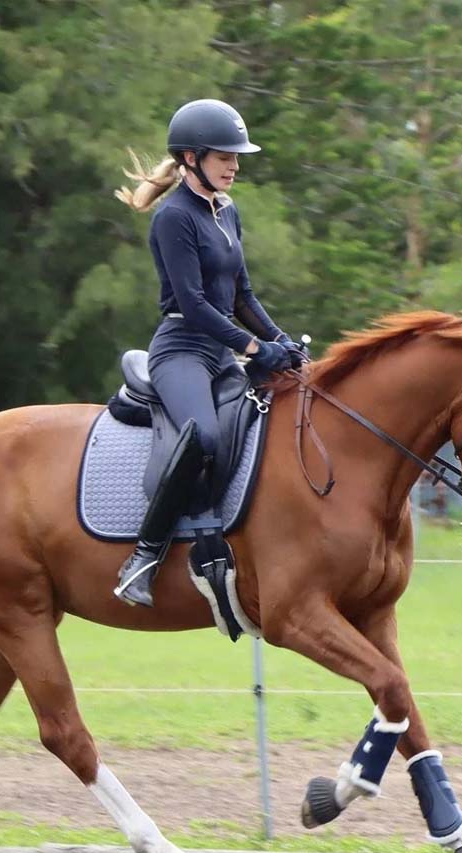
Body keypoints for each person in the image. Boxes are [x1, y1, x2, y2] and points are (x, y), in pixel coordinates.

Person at [112, 98, 307, 608]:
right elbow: (195, 305)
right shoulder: (174, 218)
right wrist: (251, 346)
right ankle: (144, 556)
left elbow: (242, 294)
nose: (235, 165)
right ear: (192, 158)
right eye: (225, 156)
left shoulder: (227, 211)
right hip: (181, 350)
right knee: (201, 436)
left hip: (220, 352)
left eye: (237, 157)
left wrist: (280, 342)